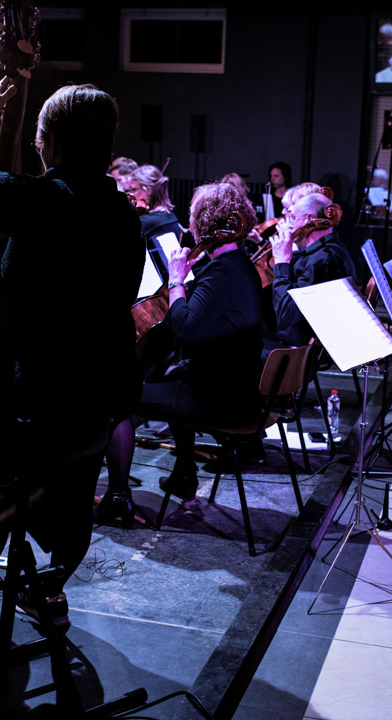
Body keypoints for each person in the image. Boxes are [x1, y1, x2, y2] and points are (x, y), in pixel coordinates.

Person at [0, 79, 145, 625]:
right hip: (98, 408)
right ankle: (46, 580)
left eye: (40, 140)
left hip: (37, 413)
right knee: (68, 484)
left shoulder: (41, 201)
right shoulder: (122, 212)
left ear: (52, 144)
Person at [96, 182, 264, 525]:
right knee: (172, 371)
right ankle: (184, 474)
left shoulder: (222, 273)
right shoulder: (240, 264)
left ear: (202, 222)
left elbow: (185, 330)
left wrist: (176, 281)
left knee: (116, 398)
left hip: (219, 399)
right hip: (239, 389)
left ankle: (117, 499)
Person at [266, 190, 355, 352]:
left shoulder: (323, 260)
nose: (292, 226)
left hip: (300, 349)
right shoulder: (329, 249)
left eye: (293, 218)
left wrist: (281, 262)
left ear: (308, 219)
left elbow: (286, 316)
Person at [130, 164, 186, 280]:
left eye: (134, 189)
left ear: (148, 190)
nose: (131, 194)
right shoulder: (170, 216)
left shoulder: (147, 222)